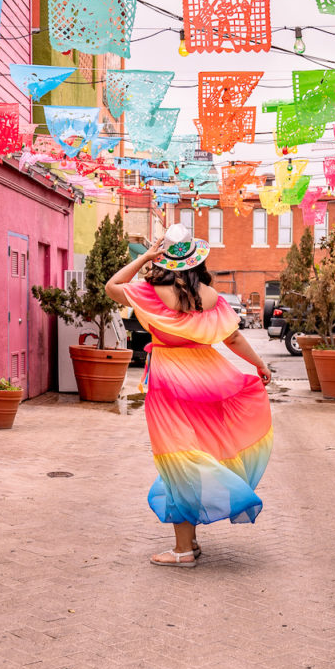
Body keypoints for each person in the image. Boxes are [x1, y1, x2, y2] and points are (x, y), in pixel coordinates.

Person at [106, 226, 273, 568]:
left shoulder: (151, 291)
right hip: (208, 379)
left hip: (170, 382)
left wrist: (144, 258)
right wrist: (259, 365)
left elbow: (111, 287)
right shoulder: (212, 297)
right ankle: (190, 541)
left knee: (178, 459)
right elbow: (233, 339)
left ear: (166, 258)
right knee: (196, 453)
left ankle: (182, 551)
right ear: (197, 261)